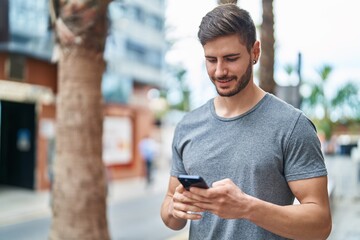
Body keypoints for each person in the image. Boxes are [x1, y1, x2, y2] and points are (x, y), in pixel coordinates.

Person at [160, 3, 332, 240]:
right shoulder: (187, 125)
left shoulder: (293, 126)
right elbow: (170, 210)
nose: (220, 71)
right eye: (211, 60)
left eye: (231, 58)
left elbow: (320, 224)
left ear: (255, 52)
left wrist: (247, 207)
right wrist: (174, 209)